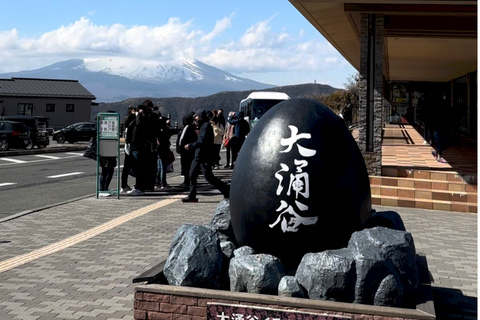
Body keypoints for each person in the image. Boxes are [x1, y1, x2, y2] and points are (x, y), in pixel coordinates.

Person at [182, 109, 230, 203]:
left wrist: (191, 145)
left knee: (209, 177)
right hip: (198, 156)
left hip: (204, 157)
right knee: (192, 175)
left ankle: (226, 190)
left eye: (197, 116)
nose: (195, 118)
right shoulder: (202, 125)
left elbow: (202, 141)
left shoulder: (206, 126)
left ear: (200, 116)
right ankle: (192, 196)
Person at [127, 102, 159, 196]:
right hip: (138, 147)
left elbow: (138, 127)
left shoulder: (143, 121)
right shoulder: (142, 119)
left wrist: (139, 116)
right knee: (138, 167)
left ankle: (139, 187)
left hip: (139, 147)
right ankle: (139, 187)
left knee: (139, 168)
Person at [176, 112, 197, 187]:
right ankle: (187, 180)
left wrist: (180, 148)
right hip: (187, 151)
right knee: (186, 166)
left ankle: (187, 181)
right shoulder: (189, 128)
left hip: (186, 151)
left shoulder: (188, 128)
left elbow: (182, 139)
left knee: (186, 166)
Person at [120, 105, 137, 193]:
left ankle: (123, 185)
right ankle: (136, 186)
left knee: (126, 167)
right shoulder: (133, 121)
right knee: (134, 166)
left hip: (127, 146)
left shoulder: (127, 120)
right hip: (131, 146)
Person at [431, 94, 450, 163]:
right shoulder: (436, 107)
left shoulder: (440, 107)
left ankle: (436, 152)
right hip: (438, 126)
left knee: (442, 141)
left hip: (441, 126)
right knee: (440, 141)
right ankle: (439, 155)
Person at [156, 112, 173, 189]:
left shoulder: (157, 129)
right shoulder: (165, 129)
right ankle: (163, 183)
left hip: (158, 149)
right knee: (163, 166)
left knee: (159, 166)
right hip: (164, 148)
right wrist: (168, 124)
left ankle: (157, 182)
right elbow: (170, 132)